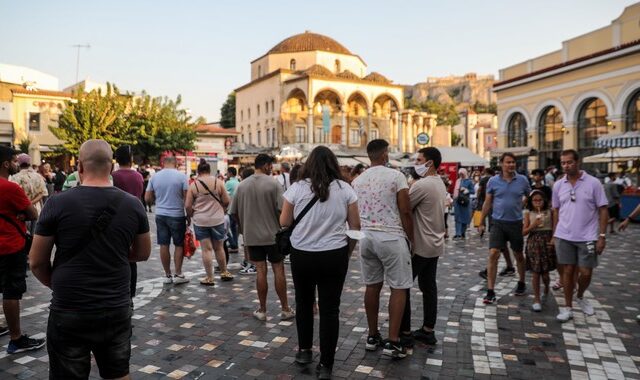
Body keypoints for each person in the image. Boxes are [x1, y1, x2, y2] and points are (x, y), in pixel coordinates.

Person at [30, 139, 151, 379]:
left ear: (80, 168)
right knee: (118, 373)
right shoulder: (133, 204)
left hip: (69, 306)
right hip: (115, 305)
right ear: (112, 167)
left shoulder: (57, 203)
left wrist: (53, 282)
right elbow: (142, 253)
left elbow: (36, 261)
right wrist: (114, 254)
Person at [280, 146, 360, 379]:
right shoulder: (345, 189)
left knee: (304, 303)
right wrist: (347, 252)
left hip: (302, 254)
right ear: (334, 164)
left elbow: (284, 221)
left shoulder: (296, 188)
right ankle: (326, 363)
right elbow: (355, 227)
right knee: (330, 310)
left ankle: (305, 351)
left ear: (309, 164)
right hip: (334, 254)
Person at [352, 140, 413, 359]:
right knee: (398, 287)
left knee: (372, 286)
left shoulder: (358, 180)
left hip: (367, 238)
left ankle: (372, 335)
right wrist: (411, 239)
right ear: (385, 154)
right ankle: (393, 341)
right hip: (391, 236)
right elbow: (405, 211)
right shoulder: (396, 177)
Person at [229, 154, 294, 321]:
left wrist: (244, 228)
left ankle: (263, 310)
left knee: (260, 271)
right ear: (266, 166)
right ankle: (285, 309)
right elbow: (283, 210)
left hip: (252, 236)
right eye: (271, 165)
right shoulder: (274, 184)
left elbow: (233, 213)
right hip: (273, 236)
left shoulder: (242, 185)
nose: (272, 169)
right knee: (279, 269)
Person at [553, 150, 609, 322]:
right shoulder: (558, 185)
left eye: (569, 162)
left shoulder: (593, 183)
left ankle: (581, 295)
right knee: (568, 272)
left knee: (585, 272)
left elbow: (603, 209)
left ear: (578, 162)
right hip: (564, 235)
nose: (566, 166)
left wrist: (602, 236)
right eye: (563, 163)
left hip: (588, 236)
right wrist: (555, 232)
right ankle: (567, 307)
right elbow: (555, 209)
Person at [400, 147, 447, 348]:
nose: (416, 163)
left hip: (420, 245)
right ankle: (428, 330)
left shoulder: (423, 184)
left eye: (419, 160)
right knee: (429, 287)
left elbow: (403, 207)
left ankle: (405, 332)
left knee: (402, 286)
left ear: (430, 163)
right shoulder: (439, 183)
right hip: (435, 243)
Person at [0, 146, 44, 354]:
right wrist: (20, 215)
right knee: (11, 291)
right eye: (14, 160)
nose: (17, 163)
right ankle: (16, 339)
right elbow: (32, 213)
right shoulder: (10, 188)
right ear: (5, 164)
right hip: (9, 246)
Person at [478, 152, 531, 304]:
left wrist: (523, 205)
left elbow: (530, 195)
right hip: (497, 223)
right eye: (508, 162)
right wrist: (481, 221)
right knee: (493, 253)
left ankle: (521, 282)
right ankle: (490, 291)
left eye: (513, 162)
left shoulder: (522, 180)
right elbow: (488, 202)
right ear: (501, 164)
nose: (511, 165)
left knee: (519, 255)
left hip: (515, 223)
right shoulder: (493, 181)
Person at [185, 161, 233, 285]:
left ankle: (210, 278)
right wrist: (222, 209)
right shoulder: (218, 182)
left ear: (198, 172)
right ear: (209, 170)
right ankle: (224, 272)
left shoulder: (194, 185)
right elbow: (227, 201)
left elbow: (188, 205)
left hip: (201, 221)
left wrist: (190, 215)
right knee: (219, 247)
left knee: (206, 250)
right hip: (217, 219)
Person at [145, 156, 190, 284]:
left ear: (163, 163)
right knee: (179, 244)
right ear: (175, 164)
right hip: (177, 214)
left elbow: (147, 197)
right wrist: (189, 216)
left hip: (160, 214)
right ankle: (178, 274)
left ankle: (167, 275)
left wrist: (155, 200)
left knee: (163, 244)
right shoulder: (182, 177)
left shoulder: (155, 177)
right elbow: (187, 200)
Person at [112, 145, 145, 298]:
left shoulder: (113, 176)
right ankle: (130, 294)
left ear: (116, 159)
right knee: (131, 259)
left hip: (115, 220)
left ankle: (117, 291)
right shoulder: (138, 176)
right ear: (131, 159)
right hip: (134, 220)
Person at [522, 190, 556, 312]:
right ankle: (536, 299)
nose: (537, 203)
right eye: (535, 200)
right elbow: (524, 232)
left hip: (547, 242)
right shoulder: (528, 213)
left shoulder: (550, 212)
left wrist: (553, 239)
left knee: (545, 273)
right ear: (531, 202)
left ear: (544, 201)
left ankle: (546, 287)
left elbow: (555, 227)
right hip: (534, 243)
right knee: (536, 272)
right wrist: (534, 224)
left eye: (540, 200)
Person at [10, 154, 48, 228]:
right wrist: (31, 203)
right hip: (37, 209)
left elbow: (14, 195)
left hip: (21, 211)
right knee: (34, 235)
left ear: (19, 163)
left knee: (24, 234)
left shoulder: (15, 177)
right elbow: (43, 193)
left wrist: (27, 204)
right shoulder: (38, 176)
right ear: (29, 163)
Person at [237, 167, 257, 275]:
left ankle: (252, 264)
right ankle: (248, 262)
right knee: (248, 242)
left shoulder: (242, 186)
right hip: (254, 218)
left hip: (246, 218)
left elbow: (234, 207)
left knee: (248, 243)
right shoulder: (256, 186)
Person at [452, 168, 474, 239]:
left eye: (462, 174)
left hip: (465, 202)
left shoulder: (469, 181)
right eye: (460, 174)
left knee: (465, 217)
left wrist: (466, 190)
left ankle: (462, 233)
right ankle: (458, 233)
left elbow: (473, 191)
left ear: (465, 173)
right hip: (457, 201)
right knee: (457, 217)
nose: (461, 175)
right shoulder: (458, 180)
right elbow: (455, 190)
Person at [225, 167, 240, 252]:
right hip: (236, 208)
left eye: (227, 172)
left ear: (230, 173)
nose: (226, 174)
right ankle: (235, 245)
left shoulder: (229, 183)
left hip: (229, 208)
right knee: (234, 228)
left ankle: (233, 244)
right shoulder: (238, 182)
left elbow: (222, 194)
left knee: (225, 228)